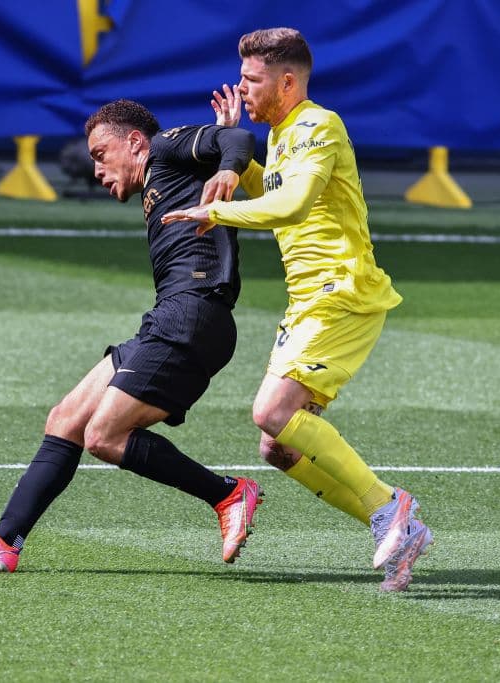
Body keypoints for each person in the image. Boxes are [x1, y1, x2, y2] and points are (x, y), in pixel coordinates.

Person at [0, 99, 263, 573]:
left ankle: (227, 493)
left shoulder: (164, 149)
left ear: (136, 143)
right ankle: (4, 540)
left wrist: (225, 161)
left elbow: (239, 139)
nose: (97, 169)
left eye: (101, 155)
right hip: (169, 317)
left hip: (193, 315)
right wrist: (216, 155)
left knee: (104, 436)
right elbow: (218, 147)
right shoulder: (167, 173)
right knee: (66, 418)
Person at [163, 27, 433, 592]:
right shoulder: (283, 134)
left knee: (271, 411)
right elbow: (273, 192)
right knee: (278, 446)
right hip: (308, 300)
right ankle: (395, 526)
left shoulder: (318, 125)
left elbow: (291, 205)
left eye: (252, 79)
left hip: (341, 292)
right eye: (241, 77)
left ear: (287, 82)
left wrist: (217, 214)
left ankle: (391, 505)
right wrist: (234, 148)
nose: (242, 87)